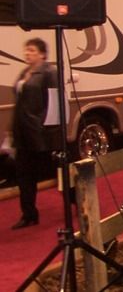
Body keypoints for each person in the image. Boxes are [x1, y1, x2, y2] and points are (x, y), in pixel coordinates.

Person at [8, 37, 58, 230]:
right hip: (22, 133)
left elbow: (53, 104)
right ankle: (29, 214)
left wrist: (45, 127)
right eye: (26, 50)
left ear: (42, 54)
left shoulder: (49, 72)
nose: (27, 53)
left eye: (32, 50)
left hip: (40, 134)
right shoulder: (25, 72)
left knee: (56, 172)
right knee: (24, 176)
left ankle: (77, 200)